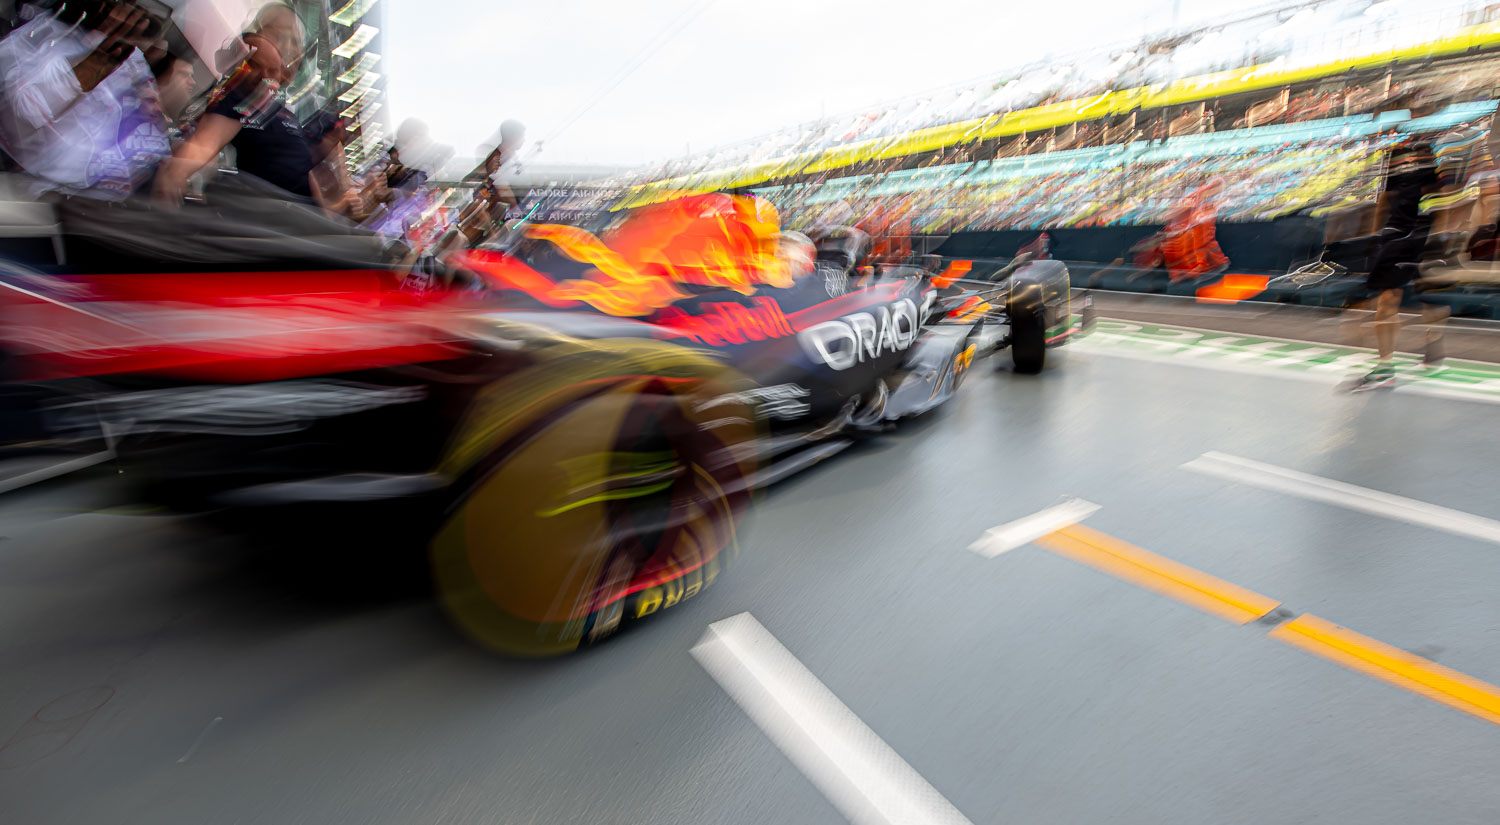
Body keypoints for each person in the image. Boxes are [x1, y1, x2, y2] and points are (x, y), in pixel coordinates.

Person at [153, 2, 356, 216]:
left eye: (296, 44)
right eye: (285, 39)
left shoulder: (279, 108)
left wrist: (338, 209)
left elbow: (303, 179)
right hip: (273, 226)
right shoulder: (245, 94)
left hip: (300, 226)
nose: (293, 51)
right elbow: (204, 143)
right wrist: (173, 178)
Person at [0, 0, 171, 198]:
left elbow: (149, 116)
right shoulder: (44, 34)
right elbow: (22, 113)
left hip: (104, 204)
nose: (135, 14)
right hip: (34, 194)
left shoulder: (132, 56)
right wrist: (88, 70)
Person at [1342, 138, 1440, 392]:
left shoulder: (1434, 151)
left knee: (1395, 300)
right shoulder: (1395, 152)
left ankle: (1394, 364)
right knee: (1388, 299)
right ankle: (1388, 366)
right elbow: (1386, 197)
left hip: (1417, 234)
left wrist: (1437, 236)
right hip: (1394, 235)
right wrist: (1375, 235)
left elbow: (1441, 197)